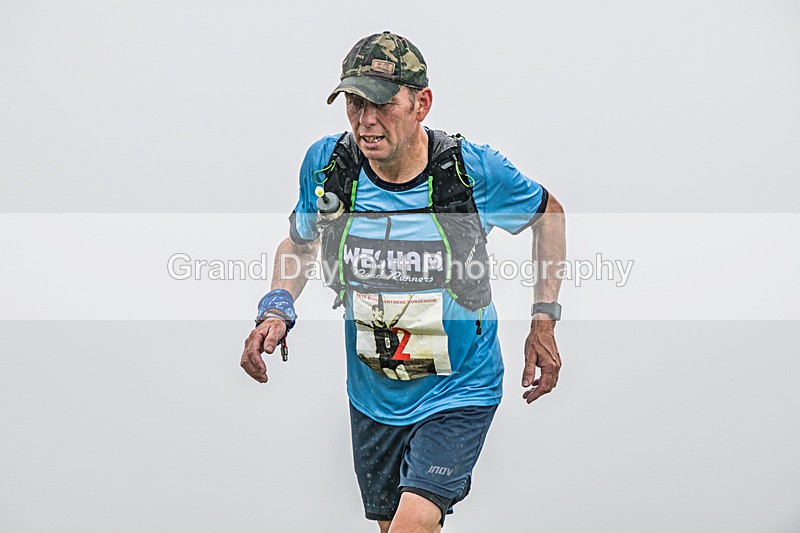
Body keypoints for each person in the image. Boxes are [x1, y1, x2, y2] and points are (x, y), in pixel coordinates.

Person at [241, 31, 566, 533]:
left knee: (411, 527)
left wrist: (543, 321)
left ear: (421, 103)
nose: (366, 121)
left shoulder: (470, 171)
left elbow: (549, 215)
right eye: (354, 103)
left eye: (382, 104)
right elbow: (300, 244)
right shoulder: (330, 168)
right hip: (373, 396)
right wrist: (277, 305)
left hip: (460, 389)